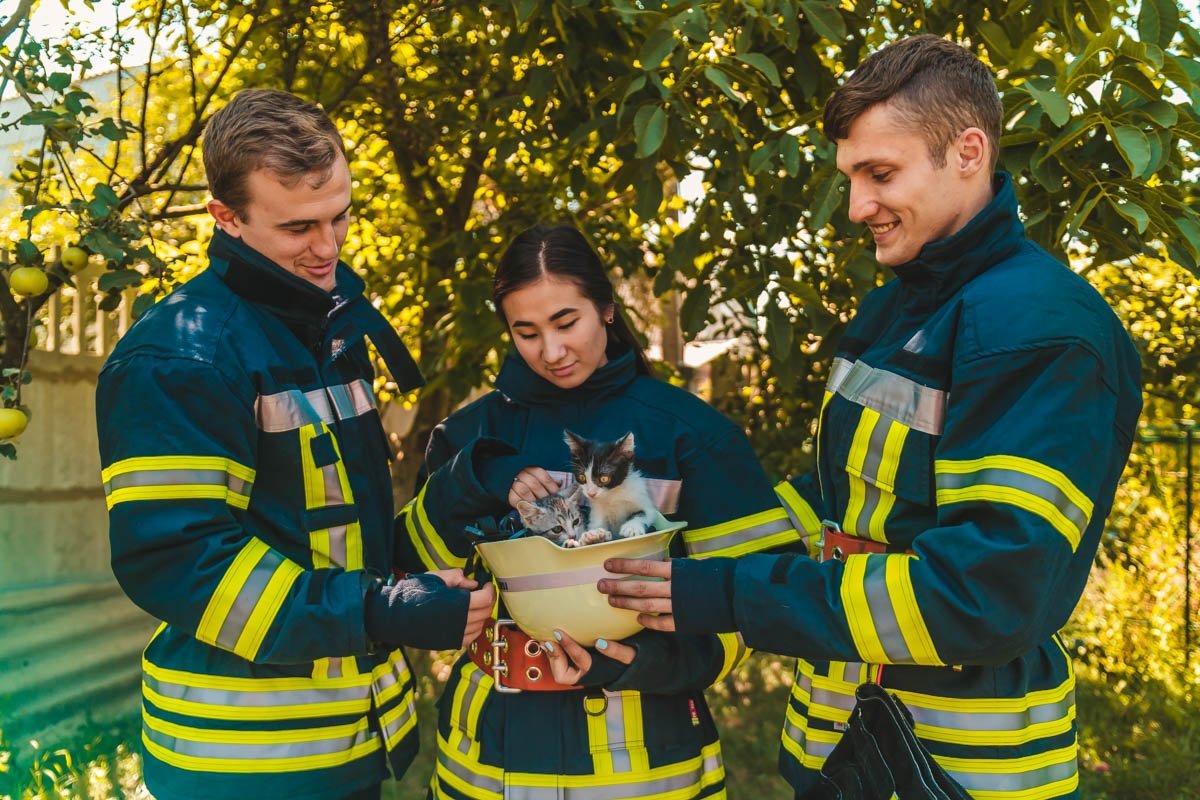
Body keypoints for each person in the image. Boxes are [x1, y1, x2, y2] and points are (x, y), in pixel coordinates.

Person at [601, 34, 1142, 799]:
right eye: (850, 178)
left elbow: (982, 595)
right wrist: (648, 524)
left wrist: (728, 593)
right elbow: (844, 500)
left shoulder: (1039, 330)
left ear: (969, 152)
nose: (857, 207)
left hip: (958, 763)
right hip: (839, 743)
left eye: (880, 174)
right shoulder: (896, 307)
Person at [95, 88, 494, 800]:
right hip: (241, 760)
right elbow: (179, 561)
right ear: (226, 217)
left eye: (340, 215)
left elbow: (342, 541)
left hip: (351, 742)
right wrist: (378, 611)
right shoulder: (181, 356)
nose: (329, 247)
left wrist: (466, 491)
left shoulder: (326, 329)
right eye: (299, 227)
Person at [394, 223, 803, 799]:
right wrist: (475, 478)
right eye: (526, 332)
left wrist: (635, 660)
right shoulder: (468, 437)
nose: (551, 352)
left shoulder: (691, 434)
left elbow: (760, 600)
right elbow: (411, 571)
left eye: (567, 323)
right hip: (483, 760)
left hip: (641, 762)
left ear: (607, 309)